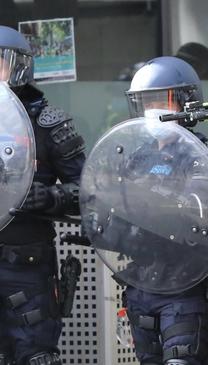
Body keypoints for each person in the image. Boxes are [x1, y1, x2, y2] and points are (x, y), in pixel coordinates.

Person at [119, 56, 208, 365]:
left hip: (182, 282)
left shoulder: (204, 155)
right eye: (146, 104)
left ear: (185, 103)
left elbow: (204, 208)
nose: (154, 112)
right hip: (140, 281)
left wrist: (153, 199)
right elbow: (121, 205)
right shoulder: (136, 158)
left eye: (161, 101)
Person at [0, 25, 85, 365]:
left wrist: (51, 198)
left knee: (35, 355)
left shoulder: (50, 125)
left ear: (18, 67)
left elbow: (90, 192)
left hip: (27, 263)